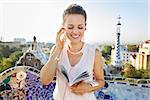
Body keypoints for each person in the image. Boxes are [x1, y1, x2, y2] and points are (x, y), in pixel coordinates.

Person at [40, 4, 105, 100]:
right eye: (70, 27)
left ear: (85, 27)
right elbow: (45, 80)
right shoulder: (57, 50)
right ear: (63, 27)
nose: (75, 32)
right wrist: (58, 48)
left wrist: (90, 86)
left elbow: (100, 81)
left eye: (80, 27)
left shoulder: (94, 53)